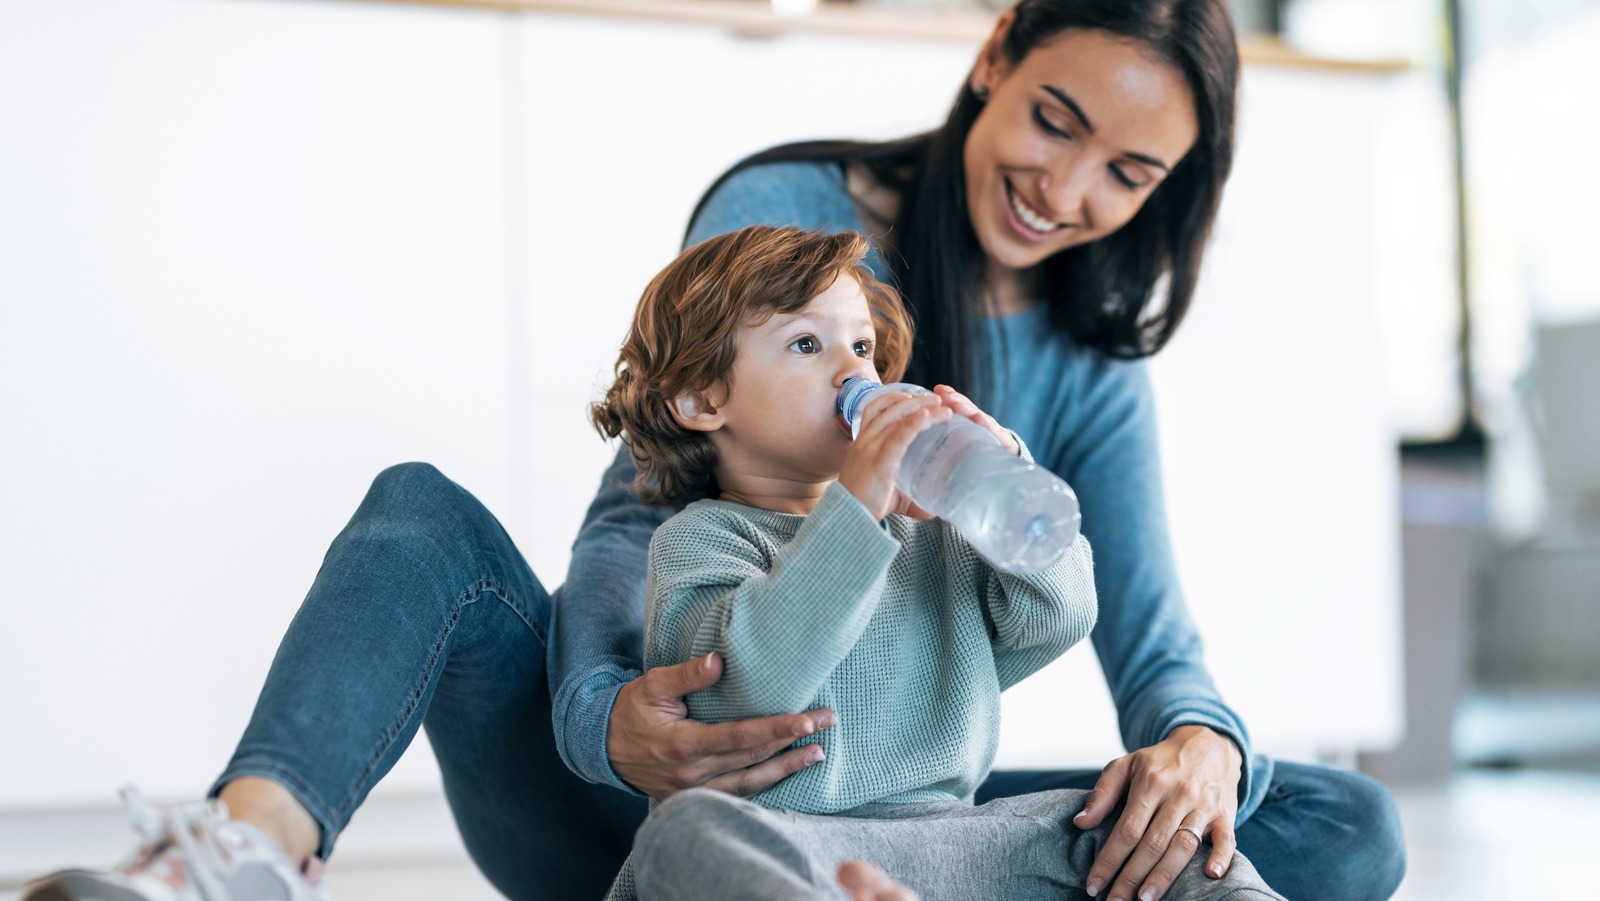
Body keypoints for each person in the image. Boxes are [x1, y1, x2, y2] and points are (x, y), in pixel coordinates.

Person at [24, 1, 1405, 900]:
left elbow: (1134, 634)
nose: (1067, 188)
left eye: (1129, 171)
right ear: (992, 58)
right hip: (652, 800)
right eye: (1054, 118)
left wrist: (1198, 749)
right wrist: (608, 723)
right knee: (419, 515)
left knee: (1338, 827)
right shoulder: (794, 222)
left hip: (882, 819)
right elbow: (642, 517)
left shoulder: (1086, 363)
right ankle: (239, 858)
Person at [588, 223, 1286, 901]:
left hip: (954, 845)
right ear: (702, 399)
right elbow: (753, 685)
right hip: (791, 846)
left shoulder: (927, 533)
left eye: (862, 345)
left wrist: (1004, 478)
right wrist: (855, 512)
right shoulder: (700, 542)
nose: (853, 370)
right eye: (807, 343)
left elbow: (1060, 616)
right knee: (685, 834)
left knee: (1141, 830)